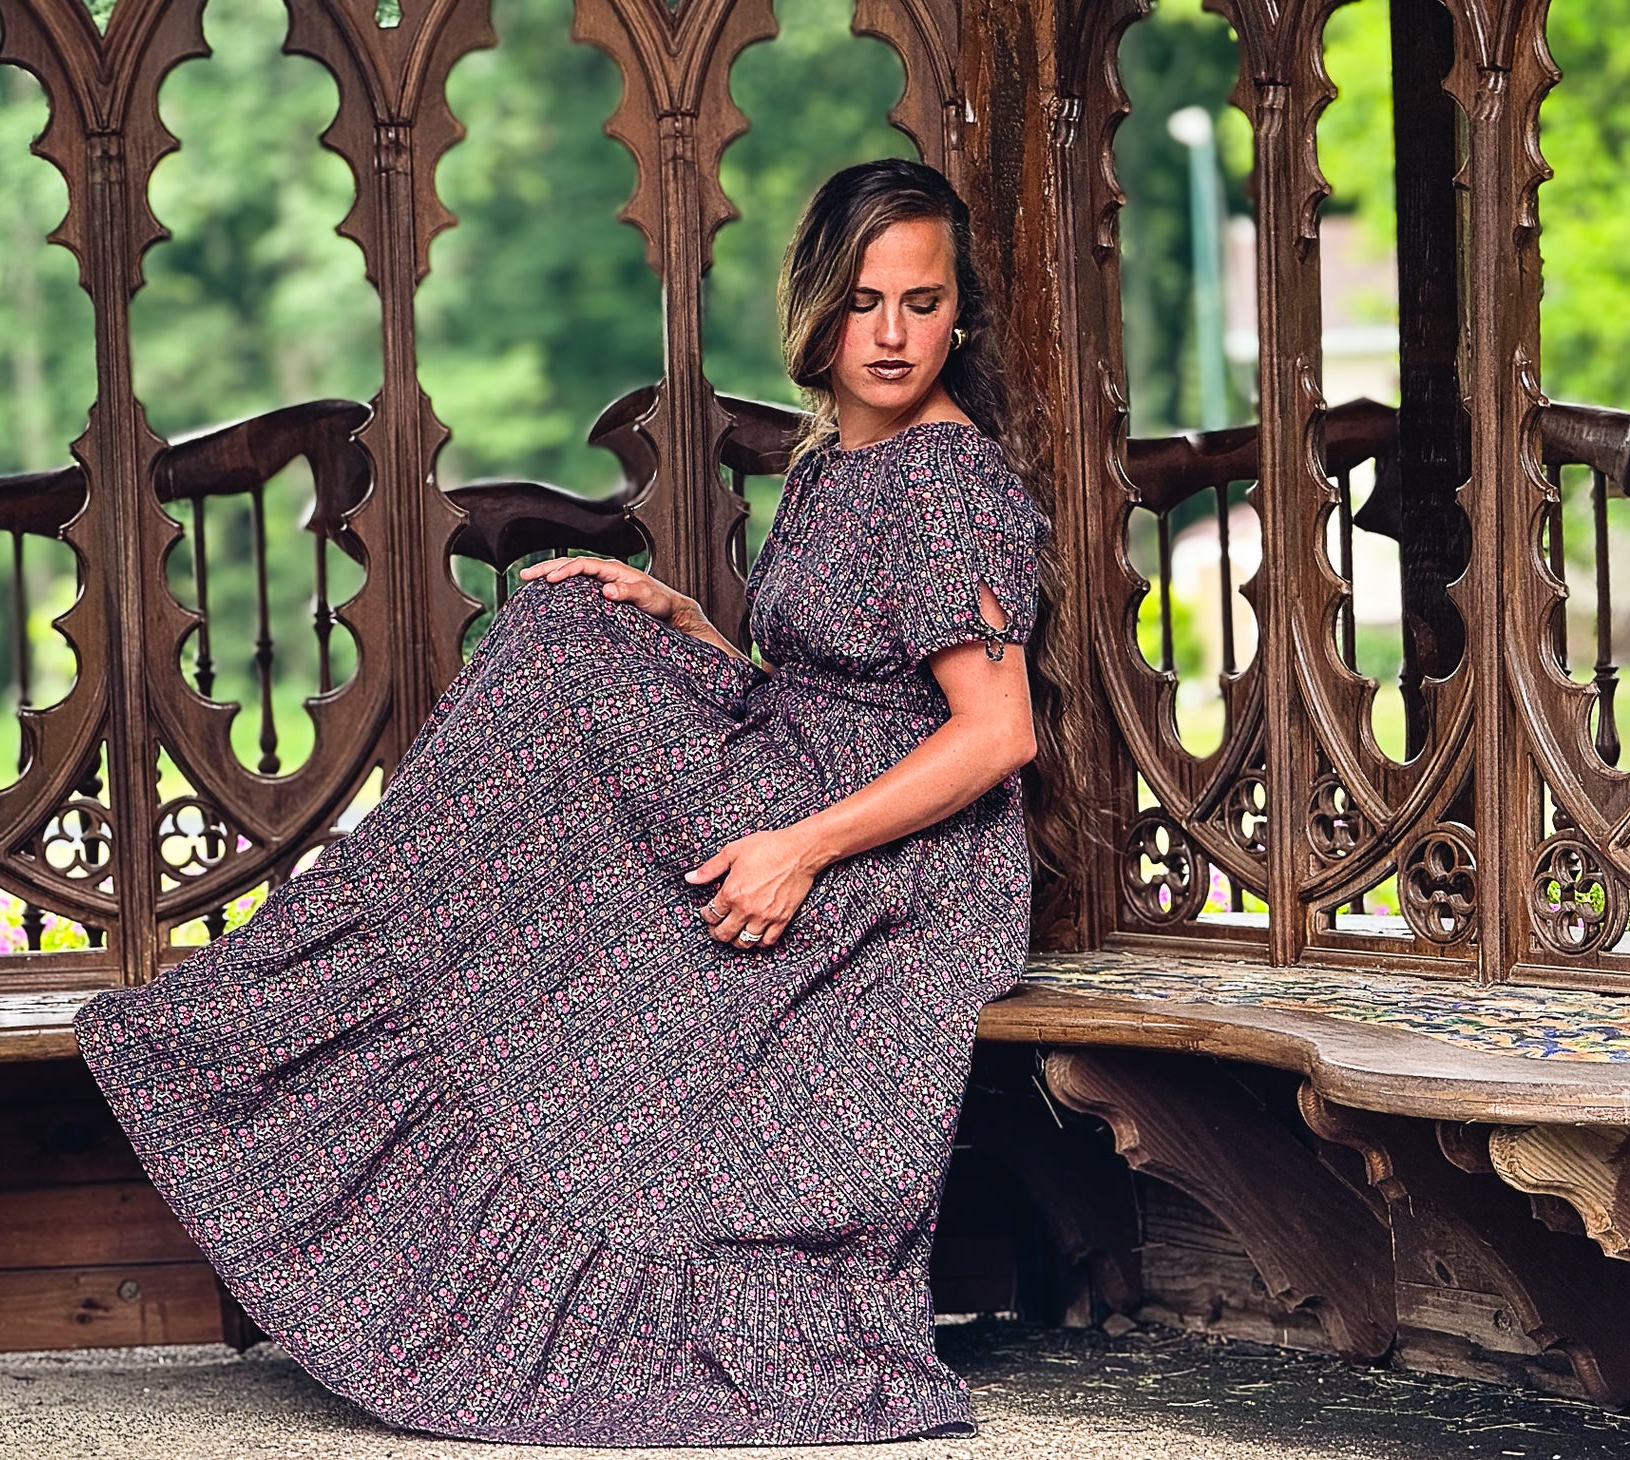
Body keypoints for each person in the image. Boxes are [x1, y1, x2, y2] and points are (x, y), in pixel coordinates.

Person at [74, 156, 1049, 1446]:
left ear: (957, 311)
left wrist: (797, 853)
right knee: (565, 628)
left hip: (896, 856)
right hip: (795, 773)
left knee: (601, 981)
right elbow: (824, 667)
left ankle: (291, 1010)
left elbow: (996, 733)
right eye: (864, 300)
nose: (890, 335)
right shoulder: (830, 463)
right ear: (817, 306)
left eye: (921, 303)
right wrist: (689, 623)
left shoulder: (948, 483)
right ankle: (302, 996)